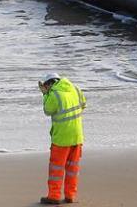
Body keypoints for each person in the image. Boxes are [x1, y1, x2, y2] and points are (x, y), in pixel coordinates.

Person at [38, 72, 86, 205]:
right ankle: (70, 196)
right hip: (77, 136)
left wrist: (45, 94)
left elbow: (47, 110)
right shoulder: (75, 88)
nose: (46, 89)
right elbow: (83, 104)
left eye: (46, 87)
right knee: (72, 169)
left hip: (61, 139)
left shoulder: (53, 94)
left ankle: (54, 196)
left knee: (56, 169)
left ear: (49, 84)